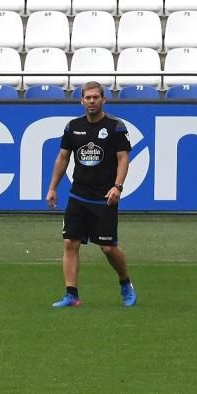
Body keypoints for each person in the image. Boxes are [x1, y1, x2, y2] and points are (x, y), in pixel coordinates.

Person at [45, 81, 137, 308]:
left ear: (103, 100)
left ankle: (125, 283)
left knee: (108, 247)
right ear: (82, 101)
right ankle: (71, 294)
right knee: (70, 242)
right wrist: (52, 188)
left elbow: (123, 158)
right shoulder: (72, 126)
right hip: (78, 196)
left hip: (104, 197)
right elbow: (63, 158)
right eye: (88, 98)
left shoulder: (116, 126)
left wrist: (118, 186)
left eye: (96, 97)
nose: (92, 101)